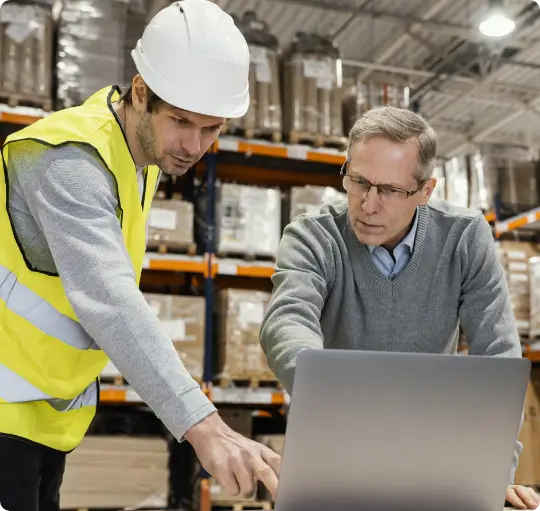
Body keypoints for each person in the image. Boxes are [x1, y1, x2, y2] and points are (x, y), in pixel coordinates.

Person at [0, 1, 280, 509]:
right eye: (182, 121)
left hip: (41, 419)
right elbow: (108, 297)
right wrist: (204, 425)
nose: (194, 145)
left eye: (212, 128)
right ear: (140, 92)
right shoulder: (69, 159)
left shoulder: (140, 159)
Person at [260, 106, 540, 511]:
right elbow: (287, 321)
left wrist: (495, 473)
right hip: (334, 462)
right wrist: (331, 385)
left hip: (433, 467)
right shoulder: (312, 236)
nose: (368, 204)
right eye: (358, 182)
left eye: (390, 190)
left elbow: (498, 355)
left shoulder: (464, 237)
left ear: (426, 191)